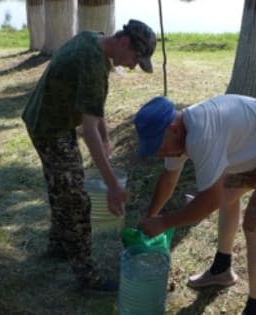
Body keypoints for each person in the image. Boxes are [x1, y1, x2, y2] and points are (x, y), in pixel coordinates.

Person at [134, 94, 256, 315]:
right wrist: (150, 218)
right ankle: (222, 270)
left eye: (158, 146)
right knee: (227, 197)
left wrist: (164, 222)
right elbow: (168, 179)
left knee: (255, 226)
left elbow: (209, 201)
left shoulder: (201, 135)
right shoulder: (177, 135)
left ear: (173, 128)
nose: (160, 153)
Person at [22, 19, 156, 292]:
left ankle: (59, 245)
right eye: (134, 59)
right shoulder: (94, 64)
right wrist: (112, 186)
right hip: (51, 128)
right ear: (124, 42)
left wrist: (106, 136)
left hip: (46, 119)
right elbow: (89, 130)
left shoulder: (93, 39)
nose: (132, 66)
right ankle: (88, 277)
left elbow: (93, 106)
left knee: (61, 185)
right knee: (75, 200)